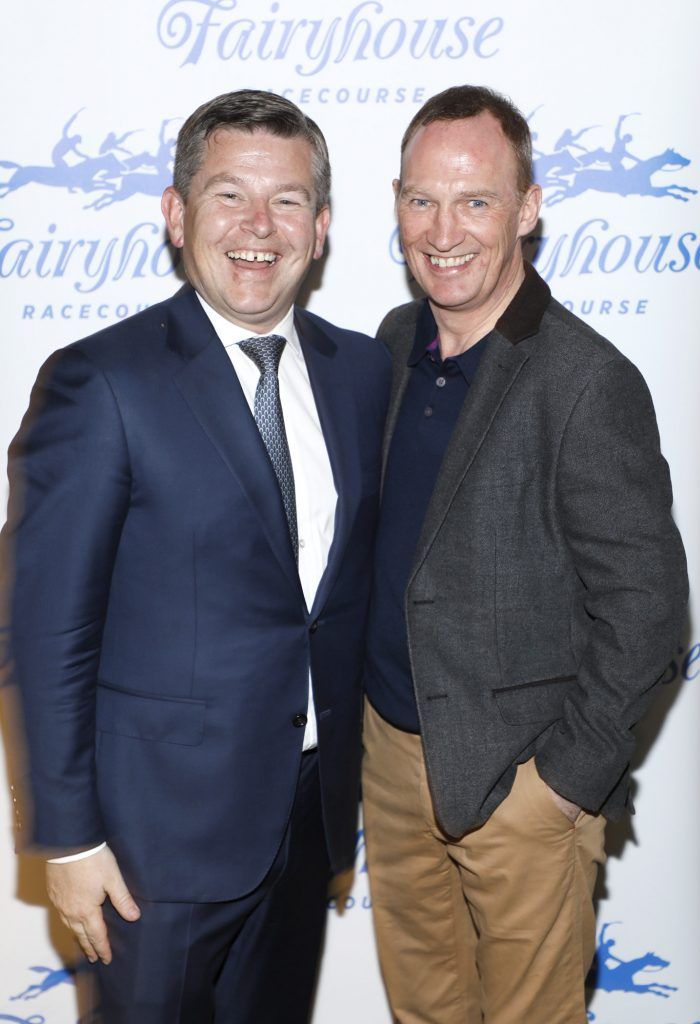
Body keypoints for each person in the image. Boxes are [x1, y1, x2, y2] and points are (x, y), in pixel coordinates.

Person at [4, 89, 390, 1023]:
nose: (259, 226)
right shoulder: (102, 381)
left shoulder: (362, 372)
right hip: (148, 849)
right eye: (228, 195)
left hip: (303, 825)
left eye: (288, 200)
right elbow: (40, 627)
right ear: (177, 216)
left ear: (322, 225)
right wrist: (65, 839)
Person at [362, 85, 688, 1024]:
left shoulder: (587, 382)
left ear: (528, 210)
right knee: (424, 1010)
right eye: (422, 199)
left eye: (475, 200)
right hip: (392, 762)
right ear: (396, 205)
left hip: (519, 782)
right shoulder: (391, 345)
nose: (444, 228)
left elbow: (649, 605)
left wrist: (559, 790)